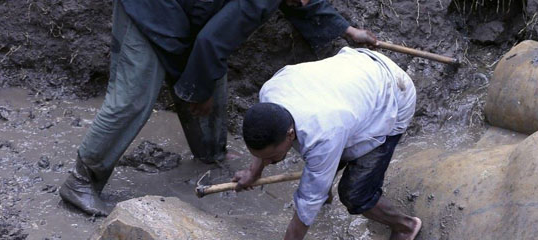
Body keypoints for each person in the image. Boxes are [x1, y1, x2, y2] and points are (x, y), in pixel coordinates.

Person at [59, 0, 376, 217]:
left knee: (212, 78)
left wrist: (348, 31)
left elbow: (303, 3)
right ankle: (80, 181)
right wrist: (199, 91)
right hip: (150, 10)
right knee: (133, 99)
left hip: (188, 13)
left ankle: (211, 153)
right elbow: (212, 42)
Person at [233, 47, 422, 240]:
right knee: (322, 165)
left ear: (290, 134)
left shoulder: (323, 132)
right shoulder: (269, 95)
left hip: (392, 94)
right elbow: (265, 134)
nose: (269, 162)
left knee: (355, 195)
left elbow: (307, 203)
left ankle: (405, 226)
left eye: (272, 157)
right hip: (354, 74)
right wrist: (253, 171)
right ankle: (324, 181)